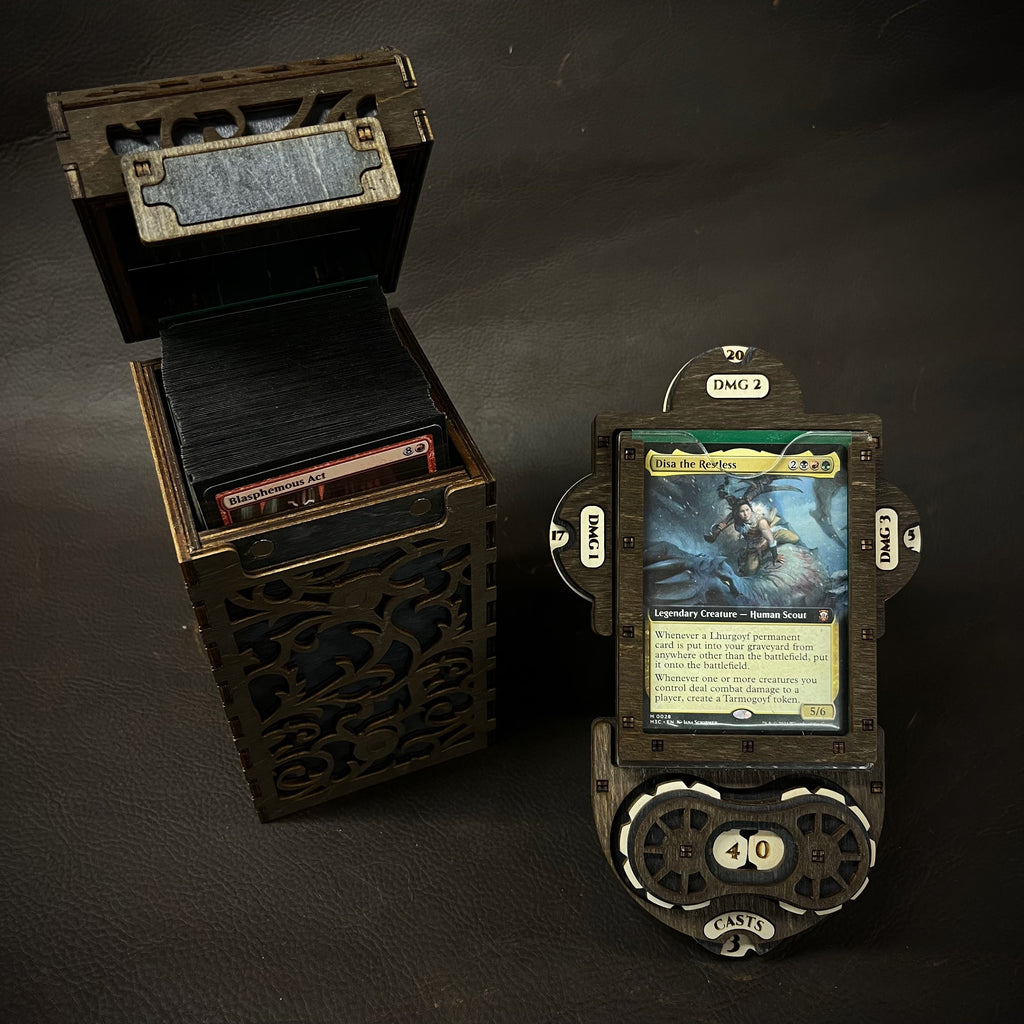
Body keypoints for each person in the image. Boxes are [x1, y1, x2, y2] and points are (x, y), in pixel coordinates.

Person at [732, 501, 799, 576]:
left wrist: (775, 555)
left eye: (747, 510)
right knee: (750, 572)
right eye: (742, 511)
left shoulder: (760, 521)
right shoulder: (738, 524)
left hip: (770, 537)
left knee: (794, 538)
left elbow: (770, 539)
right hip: (754, 548)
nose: (746, 514)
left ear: (750, 509)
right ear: (737, 513)